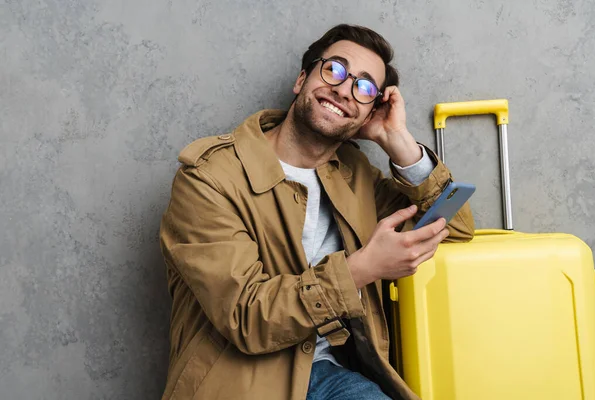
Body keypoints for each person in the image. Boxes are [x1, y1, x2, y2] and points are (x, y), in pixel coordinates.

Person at [159, 24, 474, 400]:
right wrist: (363, 268)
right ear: (301, 79)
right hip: (243, 383)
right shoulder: (209, 178)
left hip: (330, 374)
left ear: (369, 112)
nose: (344, 89)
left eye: (364, 87)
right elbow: (246, 318)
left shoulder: (354, 174)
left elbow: (454, 225)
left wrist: (397, 141)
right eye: (335, 70)